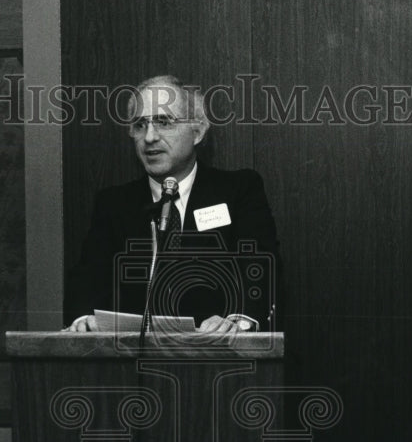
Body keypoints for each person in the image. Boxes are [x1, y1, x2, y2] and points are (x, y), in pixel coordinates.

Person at [65, 75, 281, 333]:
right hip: (129, 362)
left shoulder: (238, 190)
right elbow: (89, 276)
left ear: (197, 131)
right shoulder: (113, 204)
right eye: (140, 125)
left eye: (164, 122)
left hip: (216, 354)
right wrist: (83, 320)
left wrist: (240, 318)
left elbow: (261, 266)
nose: (149, 137)